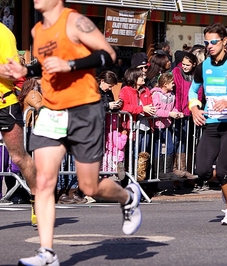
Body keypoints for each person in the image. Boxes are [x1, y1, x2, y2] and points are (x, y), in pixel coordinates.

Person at [6, 2, 142, 265]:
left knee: (88, 185)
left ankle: (128, 196)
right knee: (44, 182)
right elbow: (47, 66)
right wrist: (27, 71)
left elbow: (107, 55)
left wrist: (70, 64)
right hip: (52, 111)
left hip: (84, 110)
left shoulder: (74, 21)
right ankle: (47, 253)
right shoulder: (37, 30)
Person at [189, 23, 227, 225]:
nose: (209, 45)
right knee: (203, 171)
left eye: (214, 41)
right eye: (207, 42)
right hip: (212, 124)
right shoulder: (203, 67)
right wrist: (195, 108)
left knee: (223, 170)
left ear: (224, 41)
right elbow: (192, 91)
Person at [0, 22, 37, 224]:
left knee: (18, 157)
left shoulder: (3, 34)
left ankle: (37, 196)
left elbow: (14, 73)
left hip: (4, 103)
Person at [151, 72, 182, 181]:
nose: (173, 85)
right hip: (157, 126)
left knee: (170, 147)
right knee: (157, 149)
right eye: (171, 83)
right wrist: (169, 114)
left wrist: (177, 113)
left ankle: (168, 170)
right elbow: (155, 110)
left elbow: (172, 108)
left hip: (167, 125)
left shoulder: (172, 95)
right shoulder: (156, 95)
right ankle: (157, 171)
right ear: (165, 84)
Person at [172, 52, 198, 179]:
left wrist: (194, 109)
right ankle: (175, 171)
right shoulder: (176, 71)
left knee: (186, 141)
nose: (185, 67)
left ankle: (184, 170)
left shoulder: (196, 74)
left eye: (188, 65)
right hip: (179, 112)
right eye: (183, 64)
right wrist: (177, 109)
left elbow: (199, 91)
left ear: (194, 64)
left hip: (190, 112)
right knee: (176, 140)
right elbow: (177, 92)